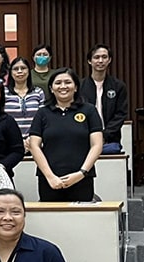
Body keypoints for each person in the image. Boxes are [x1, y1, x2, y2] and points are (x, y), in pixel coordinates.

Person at [29, 68, 103, 202]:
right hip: (49, 180)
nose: (63, 86)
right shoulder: (42, 113)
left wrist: (82, 173)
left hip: (81, 179)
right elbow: (34, 145)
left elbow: (97, 145)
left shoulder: (89, 110)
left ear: (75, 87)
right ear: (51, 88)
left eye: (68, 82)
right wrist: (50, 176)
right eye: (58, 83)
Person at [78, 44, 128, 155]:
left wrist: (104, 135)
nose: (100, 61)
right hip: (84, 140)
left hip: (110, 141)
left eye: (104, 57)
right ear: (89, 61)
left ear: (109, 60)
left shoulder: (118, 86)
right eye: (96, 57)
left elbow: (120, 114)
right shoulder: (80, 87)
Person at [4, 57, 45, 152]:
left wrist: (32, 140)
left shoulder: (38, 92)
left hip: (34, 143)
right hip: (8, 142)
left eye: (23, 68)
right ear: (10, 72)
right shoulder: (3, 92)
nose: (19, 71)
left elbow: (43, 119)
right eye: (15, 69)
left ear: (29, 71)